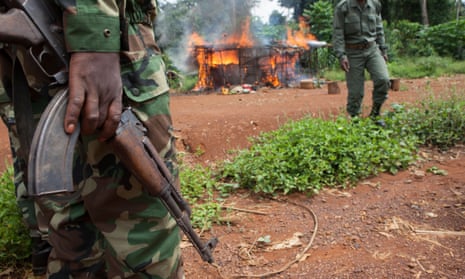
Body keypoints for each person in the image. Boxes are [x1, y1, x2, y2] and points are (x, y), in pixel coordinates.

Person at [0, 0, 184, 277]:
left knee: (140, 234)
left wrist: (95, 35)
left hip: (96, 42)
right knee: (67, 228)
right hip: (37, 57)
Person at [332, 0, 390, 125]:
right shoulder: (343, 7)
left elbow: (379, 29)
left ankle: (375, 114)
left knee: (383, 79)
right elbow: (338, 33)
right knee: (356, 91)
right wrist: (341, 55)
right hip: (352, 52)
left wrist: (383, 49)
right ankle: (355, 119)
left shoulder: (375, 4)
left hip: (372, 49)